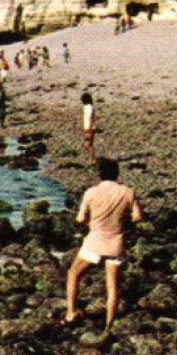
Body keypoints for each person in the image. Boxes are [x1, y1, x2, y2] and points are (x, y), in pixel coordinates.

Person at [66, 157, 142, 329]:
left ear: (99, 174)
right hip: (116, 243)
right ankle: (109, 325)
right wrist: (125, 225)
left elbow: (80, 218)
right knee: (112, 286)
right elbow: (138, 217)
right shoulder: (127, 192)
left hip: (95, 242)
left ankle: (71, 312)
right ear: (117, 173)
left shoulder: (91, 193)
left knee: (73, 274)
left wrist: (91, 225)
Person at [80, 91, 97, 159]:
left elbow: (90, 117)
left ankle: (92, 159)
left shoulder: (88, 107)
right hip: (89, 128)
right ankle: (92, 158)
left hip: (89, 128)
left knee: (88, 145)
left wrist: (89, 129)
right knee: (89, 144)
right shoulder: (89, 106)